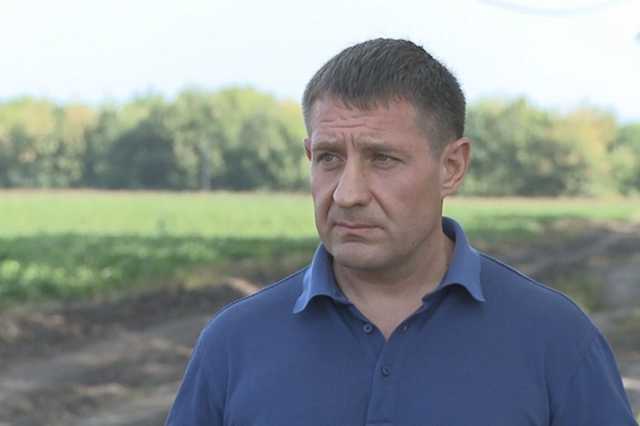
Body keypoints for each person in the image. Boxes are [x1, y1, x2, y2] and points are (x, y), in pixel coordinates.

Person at [166, 38, 637, 425]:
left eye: (383, 159)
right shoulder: (233, 343)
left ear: (452, 167)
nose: (347, 193)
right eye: (329, 158)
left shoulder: (556, 340)